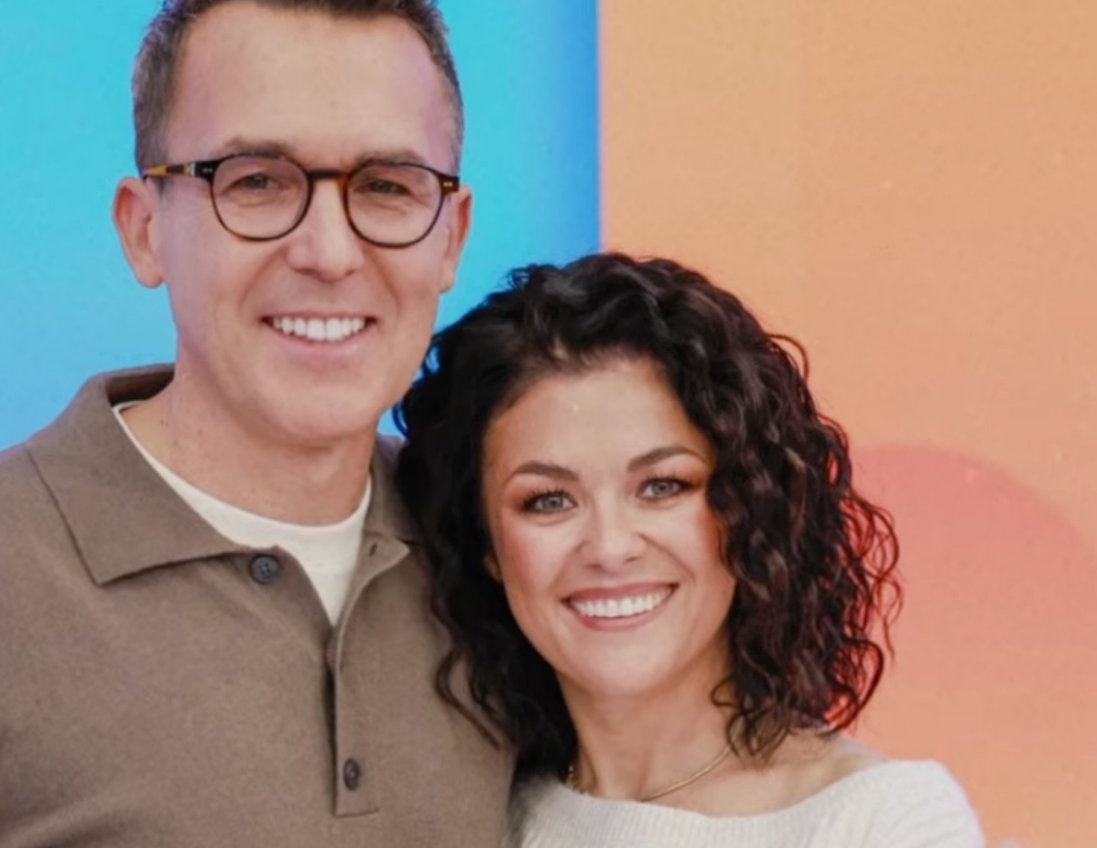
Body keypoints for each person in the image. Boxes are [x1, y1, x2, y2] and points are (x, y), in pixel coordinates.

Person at [0, 0, 512, 846]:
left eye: (386, 187)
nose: (328, 252)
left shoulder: (509, 564)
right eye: (255, 181)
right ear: (143, 230)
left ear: (451, 237)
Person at [395, 253, 985, 847]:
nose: (610, 547)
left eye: (662, 486)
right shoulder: (468, 817)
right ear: (485, 545)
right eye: (548, 500)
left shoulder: (884, 822)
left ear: (747, 509)